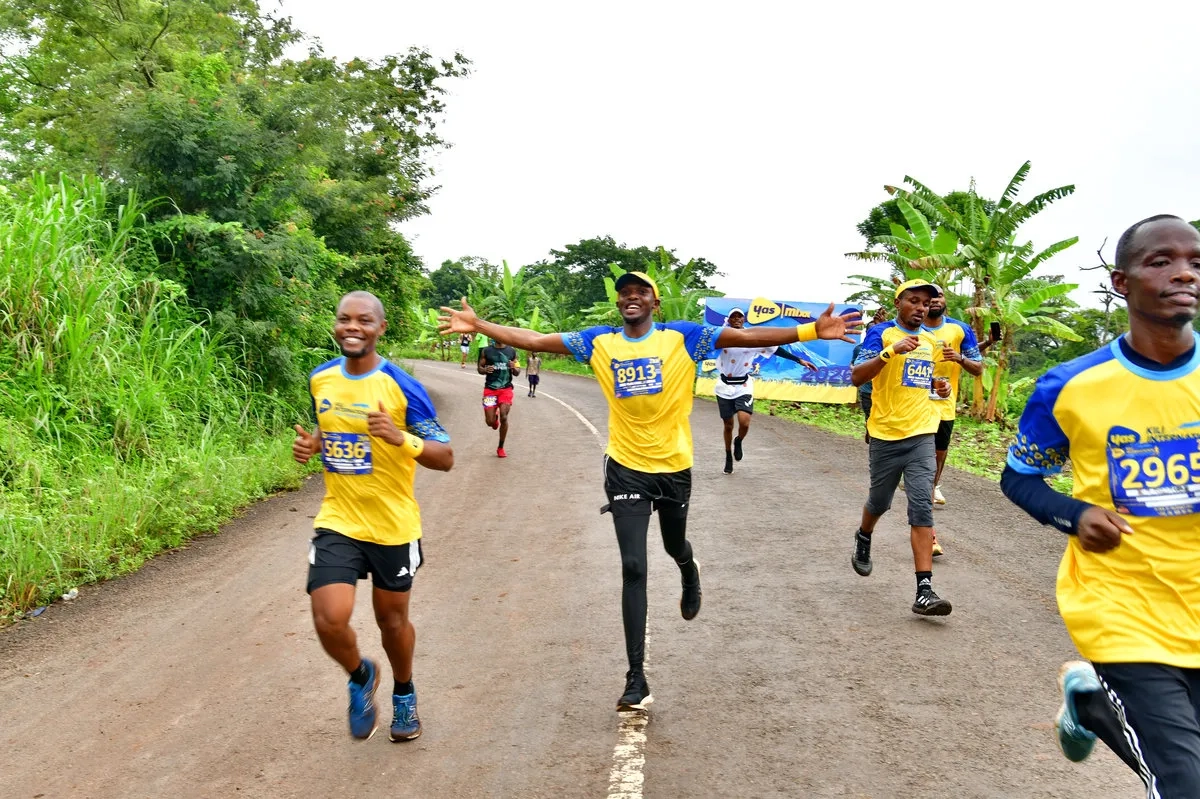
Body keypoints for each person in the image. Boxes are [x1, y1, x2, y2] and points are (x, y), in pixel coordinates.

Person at [439, 271, 861, 712]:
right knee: (633, 566)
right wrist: (480, 325)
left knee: (674, 544)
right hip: (626, 468)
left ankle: (688, 568)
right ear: (618, 302)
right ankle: (636, 677)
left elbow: (747, 337)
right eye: (625, 292)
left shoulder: (685, 337)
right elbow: (534, 339)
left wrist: (811, 330)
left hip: (673, 466)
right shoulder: (599, 342)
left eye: (641, 292)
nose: (632, 297)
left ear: (654, 303)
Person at [1001, 215, 1200, 796]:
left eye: (1195, 263)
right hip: (1121, 605)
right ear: (1121, 282)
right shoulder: (1070, 386)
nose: (1184, 273)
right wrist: (1075, 514)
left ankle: (1090, 705)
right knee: (1184, 782)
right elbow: (1019, 477)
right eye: (1161, 261)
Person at [292, 291, 454, 743]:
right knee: (328, 617)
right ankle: (361, 675)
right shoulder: (321, 377)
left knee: (391, 623)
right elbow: (328, 425)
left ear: (380, 328)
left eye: (364, 320)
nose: (352, 327)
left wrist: (400, 437)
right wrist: (314, 444)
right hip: (338, 519)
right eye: (344, 318)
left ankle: (404, 692)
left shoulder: (402, 385)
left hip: (392, 526)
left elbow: (445, 457)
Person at [850, 279, 953, 616]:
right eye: (914, 300)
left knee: (922, 506)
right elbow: (857, 377)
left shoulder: (930, 341)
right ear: (899, 303)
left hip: (922, 433)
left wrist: (940, 387)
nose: (921, 307)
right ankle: (864, 535)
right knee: (879, 502)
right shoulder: (881, 334)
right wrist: (890, 352)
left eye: (925, 303)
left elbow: (925, 382)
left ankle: (924, 590)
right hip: (885, 435)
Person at [714, 307, 817, 474]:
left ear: (743, 319)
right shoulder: (721, 336)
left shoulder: (751, 337)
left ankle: (739, 440)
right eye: (734, 316)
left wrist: (799, 360)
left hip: (743, 385)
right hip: (724, 386)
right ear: (729, 320)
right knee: (728, 425)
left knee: (744, 421)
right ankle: (728, 455)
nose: (737, 319)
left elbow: (775, 349)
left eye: (740, 316)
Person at [923, 292, 983, 511]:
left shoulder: (959, 329)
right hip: (913, 399)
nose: (935, 300)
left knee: (940, 449)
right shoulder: (910, 327)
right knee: (914, 444)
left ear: (944, 300)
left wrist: (959, 357)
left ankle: (933, 485)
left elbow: (978, 368)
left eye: (939, 295)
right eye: (930, 296)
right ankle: (916, 481)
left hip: (944, 400)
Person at [852, 308, 891, 444]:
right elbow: (854, 365)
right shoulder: (859, 348)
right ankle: (872, 440)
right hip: (867, 390)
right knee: (871, 420)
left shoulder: (890, 342)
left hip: (883, 391)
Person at [479, 338, 520, 458]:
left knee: (504, 416)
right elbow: (480, 368)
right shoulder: (486, 351)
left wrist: (513, 367)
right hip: (490, 390)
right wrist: (485, 370)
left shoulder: (512, 351)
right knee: (489, 422)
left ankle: (500, 447)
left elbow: (517, 372)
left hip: (506, 389)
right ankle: (494, 419)